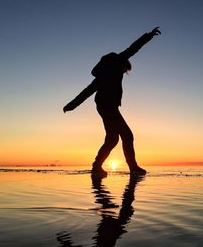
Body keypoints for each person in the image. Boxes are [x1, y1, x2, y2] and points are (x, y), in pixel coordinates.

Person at [63, 27, 161, 176]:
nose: (123, 73)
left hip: (103, 106)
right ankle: (132, 167)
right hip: (108, 107)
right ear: (123, 65)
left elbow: (87, 92)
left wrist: (71, 105)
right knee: (127, 135)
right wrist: (149, 35)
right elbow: (133, 48)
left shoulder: (101, 76)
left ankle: (97, 167)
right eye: (125, 71)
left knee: (112, 139)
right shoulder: (118, 61)